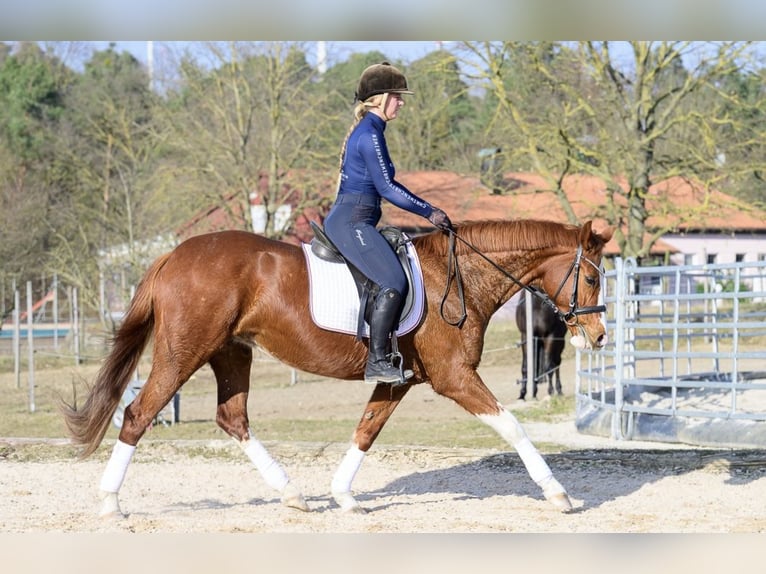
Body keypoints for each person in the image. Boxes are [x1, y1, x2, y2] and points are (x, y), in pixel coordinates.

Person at [323, 61, 453, 386]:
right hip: (352, 221)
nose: (402, 102)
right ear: (379, 98)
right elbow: (387, 188)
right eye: (397, 96)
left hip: (357, 218)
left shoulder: (371, 131)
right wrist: (430, 212)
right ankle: (377, 361)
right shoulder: (369, 135)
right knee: (394, 280)